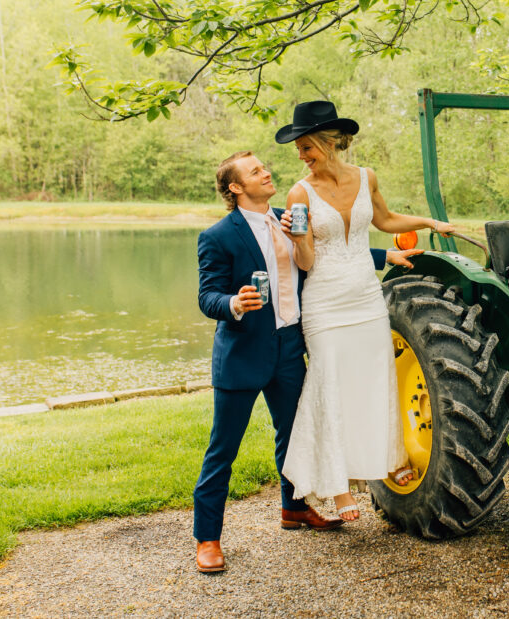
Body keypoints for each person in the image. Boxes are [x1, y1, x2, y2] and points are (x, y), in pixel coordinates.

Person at [193, 150, 421, 573]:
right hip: (242, 354)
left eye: (264, 167)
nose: (267, 172)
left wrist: (383, 256)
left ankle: (294, 509)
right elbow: (208, 297)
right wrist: (234, 302)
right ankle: (208, 538)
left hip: (290, 348)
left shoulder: (290, 216)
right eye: (255, 171)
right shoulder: (217, 236)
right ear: (235, 188)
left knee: (292, 433)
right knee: (223, 449)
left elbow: (331, 254)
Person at [274, 100, 454, 521]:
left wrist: (429, 223)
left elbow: (386, 220)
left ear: (328, 142)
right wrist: (298, 240)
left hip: (366, 297)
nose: (301, 156)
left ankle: (387, 461)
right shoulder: (298, 193)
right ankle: (338, 489)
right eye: (299, 150)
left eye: (306, 147)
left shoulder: (366, 176)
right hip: (325, 300)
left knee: (376, 380)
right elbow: (305, 263)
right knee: (330, 384)